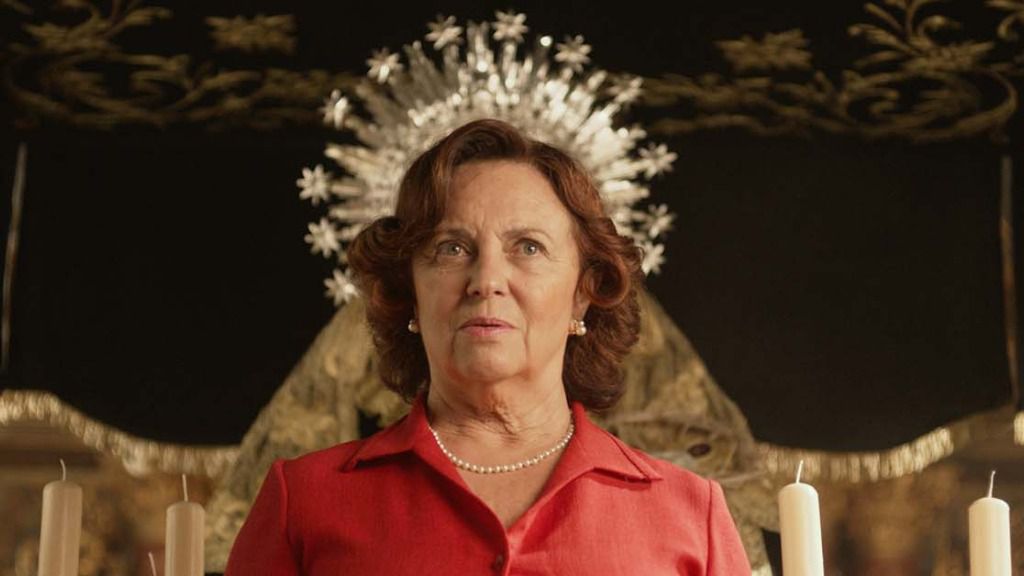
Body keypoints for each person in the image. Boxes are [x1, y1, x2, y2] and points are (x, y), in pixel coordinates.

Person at [224, 118, 751, 575]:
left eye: (529, 247)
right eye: (452, 248)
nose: (487, 280)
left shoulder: (690, 513)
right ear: (409, 291)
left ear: (584, 293)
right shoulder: (303, 503)